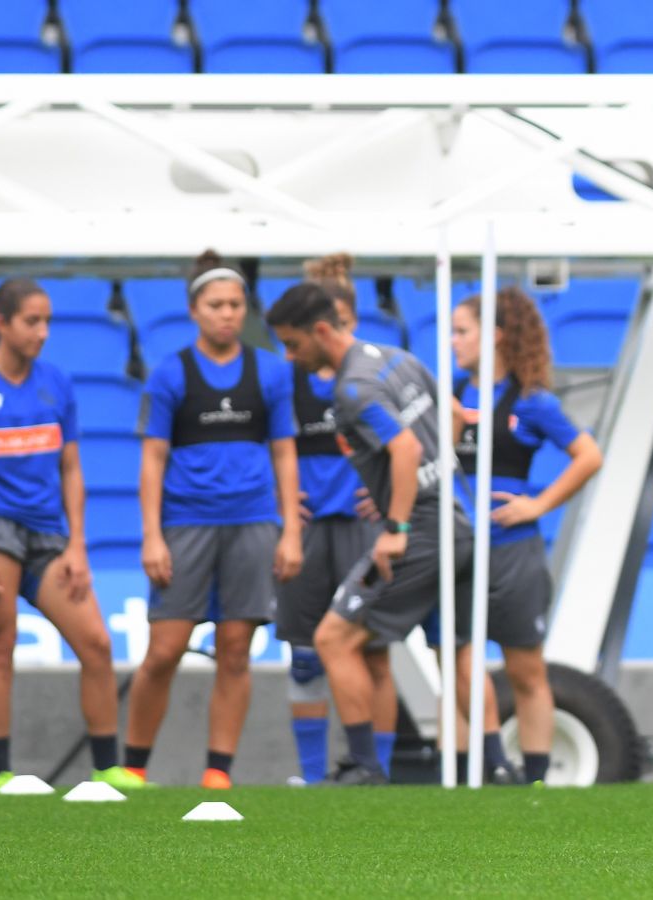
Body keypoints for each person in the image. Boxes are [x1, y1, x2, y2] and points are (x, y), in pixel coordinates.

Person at [265, 281, 474, 786]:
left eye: (293, 345)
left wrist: (396, 523)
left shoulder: (352, 388)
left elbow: (403, 451)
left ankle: (365, 767)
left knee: (332, 639)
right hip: (454, 517)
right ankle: (483, 765)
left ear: (319, 331)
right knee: (423, 649)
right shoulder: (395, 356)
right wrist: (429, 474)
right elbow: (450, 415)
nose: (290, 357)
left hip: (420, 529)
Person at [123, 251, 303, 789]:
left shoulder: (270, 370)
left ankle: (217, 773)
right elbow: (153, 458)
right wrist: (152, 535)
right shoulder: (169, 374)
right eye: (215, 304)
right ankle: (132, 767)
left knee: (234, 650)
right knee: (164, 651)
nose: (227, 313)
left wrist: (290, 529)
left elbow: (285, 453)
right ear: (194, 309)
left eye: (235, 304)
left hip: (252, 523)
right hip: (185, 526)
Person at [0, 279, 143, 791]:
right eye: (31, 321)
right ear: (2, 324)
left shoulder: (56, 383)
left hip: (48, 534)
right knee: (0, 650)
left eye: (47, 322)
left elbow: (71, 469)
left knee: (97, 644)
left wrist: (78, 545)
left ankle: (108, 769)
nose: (42, 332)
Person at [446, 288, 602, 785]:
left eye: (461, 331)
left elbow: (588, 457)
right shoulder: (448, 394)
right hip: (457, 549)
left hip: (514, 552)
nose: (452, 342)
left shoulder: (532, 400)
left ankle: (535, 779)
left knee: (525, 670)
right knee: (457, 657)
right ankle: (491, 762)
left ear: (492, 336)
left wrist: (536, 504)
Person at [278, 255, 398, 785]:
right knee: (305, 656)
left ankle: (378, 774)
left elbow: (408, 443)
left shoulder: (372, 373)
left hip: (362, 528)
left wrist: (388, 496)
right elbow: (269, 445)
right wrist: (281, 504)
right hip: (307, 533)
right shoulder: (289, 375)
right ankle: (312, 777)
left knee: (373, 655)